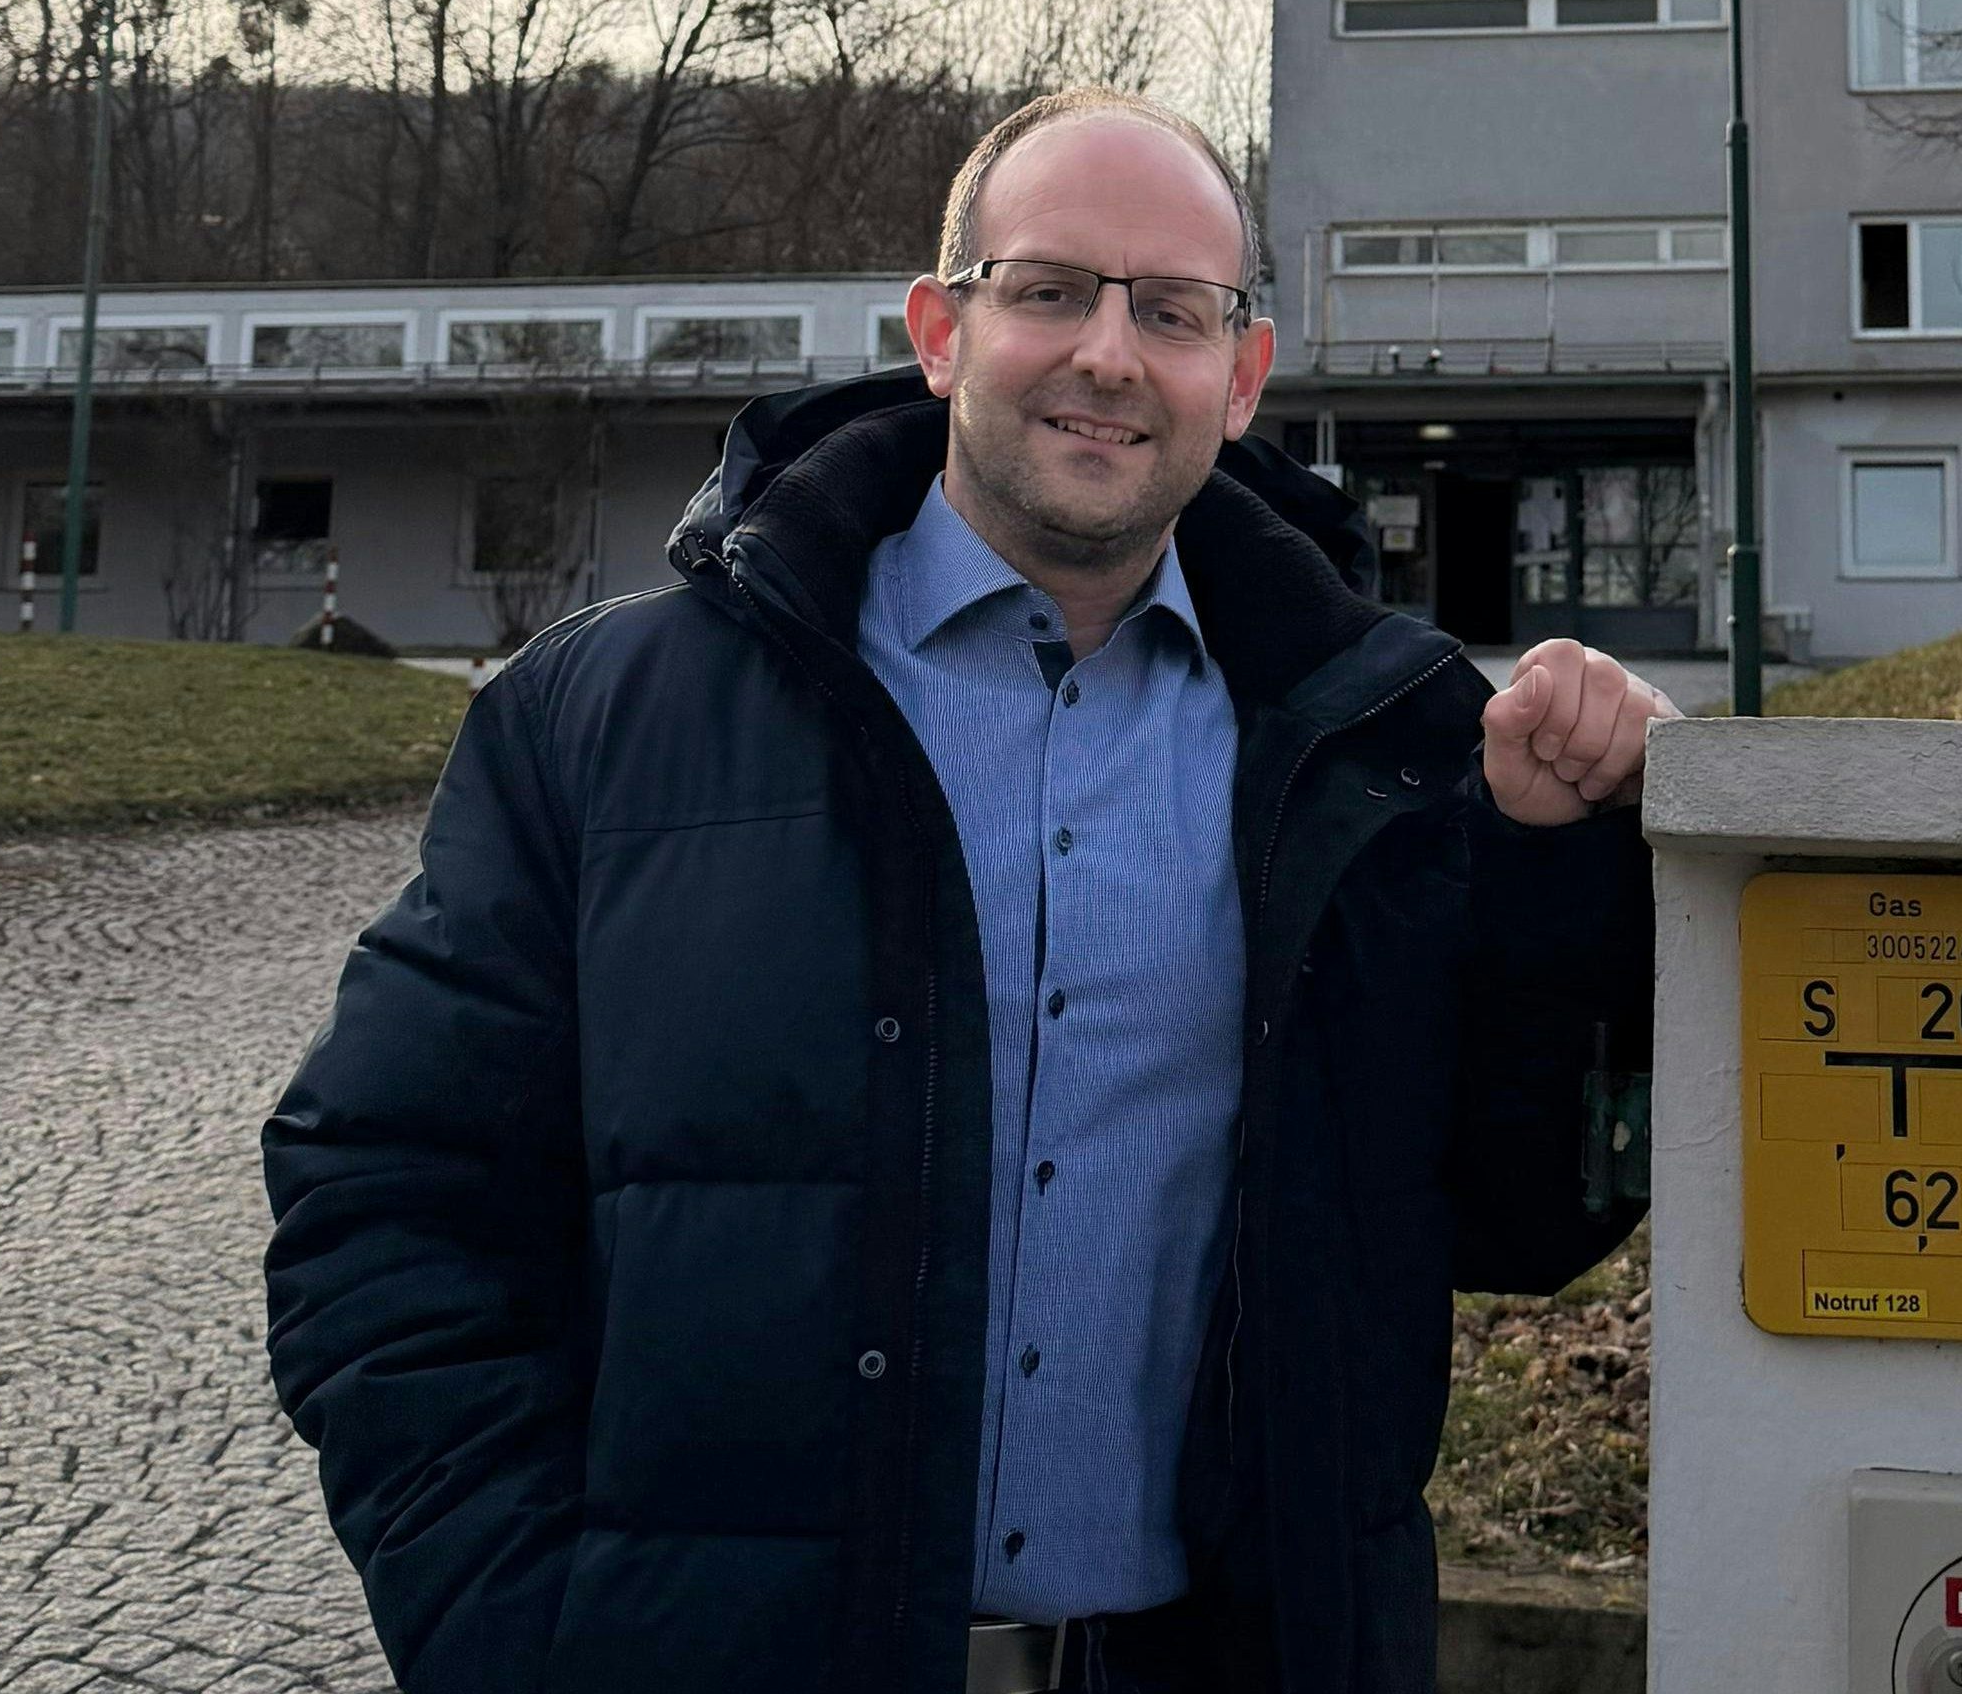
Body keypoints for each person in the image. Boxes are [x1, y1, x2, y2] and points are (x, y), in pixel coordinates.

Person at [261, 87, 1673, 1694]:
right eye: (1050, 289)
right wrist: (519, 1628)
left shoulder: (1390, 743)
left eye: (1173, 311)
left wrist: (1567, 874)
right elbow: (384, 1196)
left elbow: (1511, 1210)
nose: (1110, 355)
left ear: (1244, 374)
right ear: (940, 330)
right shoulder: (609, 720)